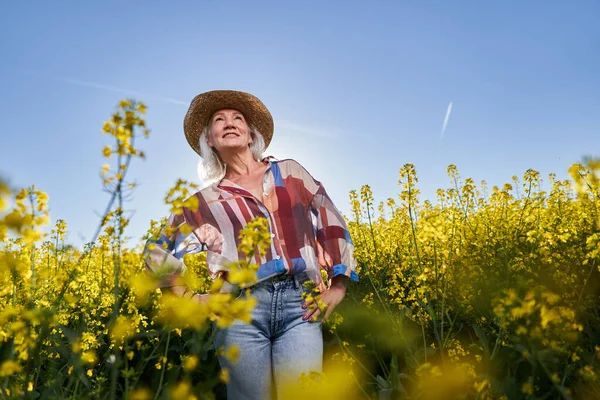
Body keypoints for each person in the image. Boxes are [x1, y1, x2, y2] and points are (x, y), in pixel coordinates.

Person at [144, 90, 358, 400]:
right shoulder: (205, 202)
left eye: (237, 118)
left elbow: (330, 217)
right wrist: (193, 299)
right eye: (219, 120)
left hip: (301, 304)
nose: (229, 123)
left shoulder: (290, 173)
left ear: (250, 135)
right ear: (210, 141)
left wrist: (338, 286)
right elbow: (158, 249)